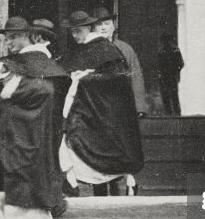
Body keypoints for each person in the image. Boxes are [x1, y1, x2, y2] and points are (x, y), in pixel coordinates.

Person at [0, 17, 70, 219]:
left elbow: (44, 93)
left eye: (15, 37)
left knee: (24, 173)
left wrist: (11, 90)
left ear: (30, 37)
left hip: (29, 129)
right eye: (7, 38)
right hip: (16, 130)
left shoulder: (30, 63)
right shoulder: (18, 64)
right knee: (19, 174)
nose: (9, 43)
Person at [59, 10, 144, 196]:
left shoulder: (105, 48)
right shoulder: (81, 49)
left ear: (87, 28)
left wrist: (87, 78)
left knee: (103, 149)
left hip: (107, 111)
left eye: (77, 31)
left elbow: (118, 77)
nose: (74, 36)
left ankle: (124, 187)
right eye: (72, 32)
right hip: (89, 109)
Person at [90, 7, 147, 116]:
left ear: (113, 27)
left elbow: (136, 78)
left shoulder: (126, 49)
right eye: (99, 24)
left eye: (107, 24)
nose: (103, 28)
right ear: (93, 28)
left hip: (121, 107)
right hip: (97, 108)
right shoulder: (89, 50)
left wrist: (140, 108)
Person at [157, 33, 184, 115]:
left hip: (171, 75)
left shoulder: (175, 51)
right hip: (165, 76)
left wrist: (176, 70)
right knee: (167, 95)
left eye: (166, 40)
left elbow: (181, 63)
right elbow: (159, 65)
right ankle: (169, 113)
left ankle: (176, 112)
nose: (165, 42)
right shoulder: (161, 52)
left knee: (173, 95)